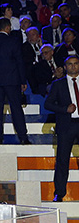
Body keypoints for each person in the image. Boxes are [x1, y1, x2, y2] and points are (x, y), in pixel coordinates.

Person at [0, 17, 31, 144]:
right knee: (16, 109)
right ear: (8, 27)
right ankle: (23, 137)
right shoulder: (14, 41)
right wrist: (23, 81)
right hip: (12, 81)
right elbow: (20, 62)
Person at [45, 55, 79, 201]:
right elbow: (48, 104)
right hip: (67, 125)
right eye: (70, 64)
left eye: (76, 63)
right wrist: (65, 109)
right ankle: (59, 193)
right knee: (62, 160)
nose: (73, 66)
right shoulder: (58, 84)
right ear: (65, 67)